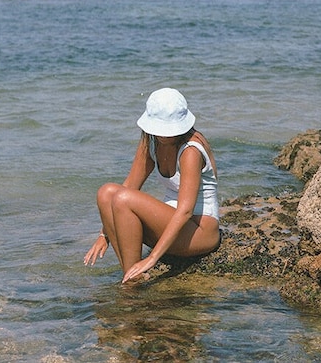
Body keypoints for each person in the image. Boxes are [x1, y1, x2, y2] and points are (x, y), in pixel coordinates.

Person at [84, 88, 220, 283]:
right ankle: (132, 276)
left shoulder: (191, 151)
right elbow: (130, 184)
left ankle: (133, 280)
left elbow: (185, 211)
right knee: (106, 192)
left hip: (199, 232)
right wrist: (103, 234)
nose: (163, 135)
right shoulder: (151, 142)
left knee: (123, 199)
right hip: (171, 224)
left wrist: (151, 258)